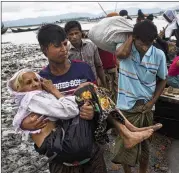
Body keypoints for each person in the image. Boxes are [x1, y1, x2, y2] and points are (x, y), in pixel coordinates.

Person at [19, 24, 161, 173]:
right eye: (57, 46)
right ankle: (128, 130)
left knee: (94, 90)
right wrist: (25, 124)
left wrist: (93, 111)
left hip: (90, 147)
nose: (64, 49)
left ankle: (129, 130)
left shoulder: (83, 68)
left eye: (64, 43)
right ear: (44, 49)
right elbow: (37, 111)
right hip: (63, 153)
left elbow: (99, 101)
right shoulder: (41, 80)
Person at [113, 20, 167, 173]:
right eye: (142, 43)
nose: (145, 47)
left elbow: (163, 79)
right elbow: (120, 54)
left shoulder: (158, 55)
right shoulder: (124, 50)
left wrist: (152, 102)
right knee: (125, 145)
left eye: (149, 43)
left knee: (144, 146)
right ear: (134, 37)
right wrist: (131, 38)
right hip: (126, 107)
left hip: (146, 108)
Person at [64, 20, 107, 88]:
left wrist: (104, 84)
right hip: (76, 86)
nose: (74, 36)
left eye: (76, 33)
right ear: (67, 36)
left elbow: (98, 65)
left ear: (81, 33)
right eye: (71, 34)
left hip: (93, 83)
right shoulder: (66, 52)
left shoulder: (92, 45)